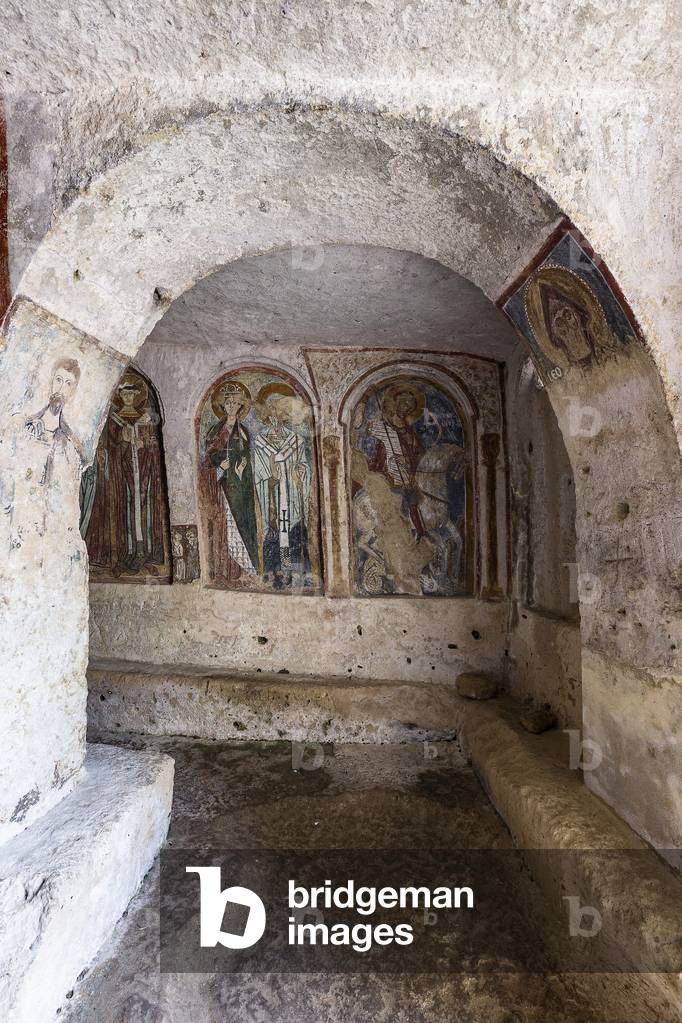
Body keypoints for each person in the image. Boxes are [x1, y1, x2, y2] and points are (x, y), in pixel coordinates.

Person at [201, 379, 260, 583]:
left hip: (241, 486)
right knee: (225, 525)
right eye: (228, 403)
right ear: (222, 406)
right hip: (223, 485)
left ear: (241, 406)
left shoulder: (244, 431)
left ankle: (247, 566)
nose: (232, 406)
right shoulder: (215, 431)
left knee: (243, 522)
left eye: (235, 403)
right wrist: (219, 468)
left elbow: (246, 455)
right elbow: (208, 458)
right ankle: (227, 566)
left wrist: (244, 465)